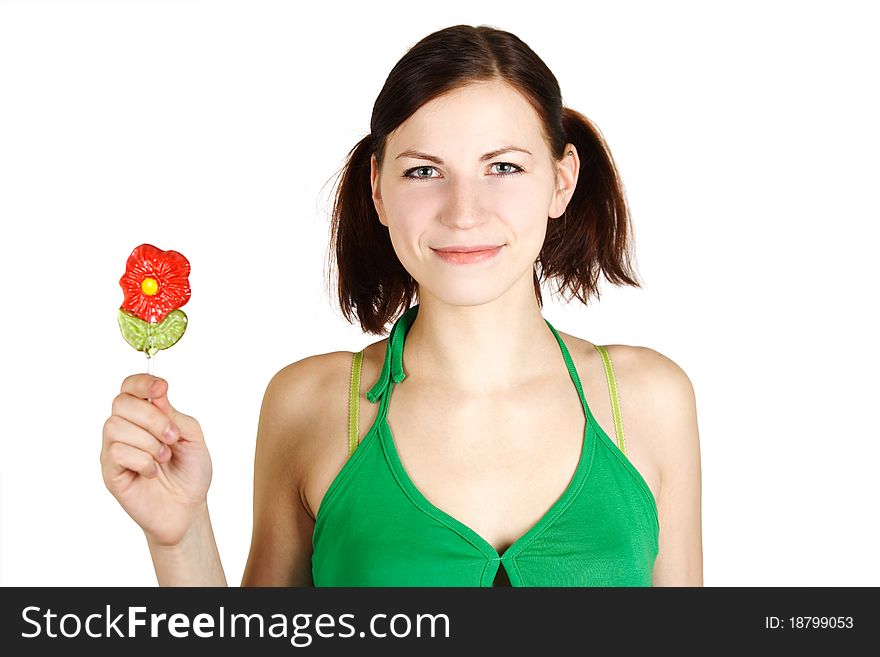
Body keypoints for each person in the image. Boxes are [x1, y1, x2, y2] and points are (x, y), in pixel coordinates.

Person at [101, 24, 702, 587]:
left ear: (562, 181)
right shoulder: (309, 405)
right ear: (377, 188)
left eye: (504, 167)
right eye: (423, 171)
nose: (464, 211)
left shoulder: (649, 400)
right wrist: (179, 537)